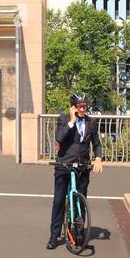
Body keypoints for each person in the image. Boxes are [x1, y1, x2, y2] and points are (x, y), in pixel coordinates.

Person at [47, 93, 103, 250]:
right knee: (58, 201)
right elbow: (59, 138)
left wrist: (98, 158)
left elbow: (96, 143)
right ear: (73, 107)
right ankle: (54, 235)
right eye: (79, 106)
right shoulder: (64, 119)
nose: (83, 109)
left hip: (83, 167)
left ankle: (79, 233)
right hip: (64, 165)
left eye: (85, 106)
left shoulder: (91, 122)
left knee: (81, 201)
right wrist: (72, 121)